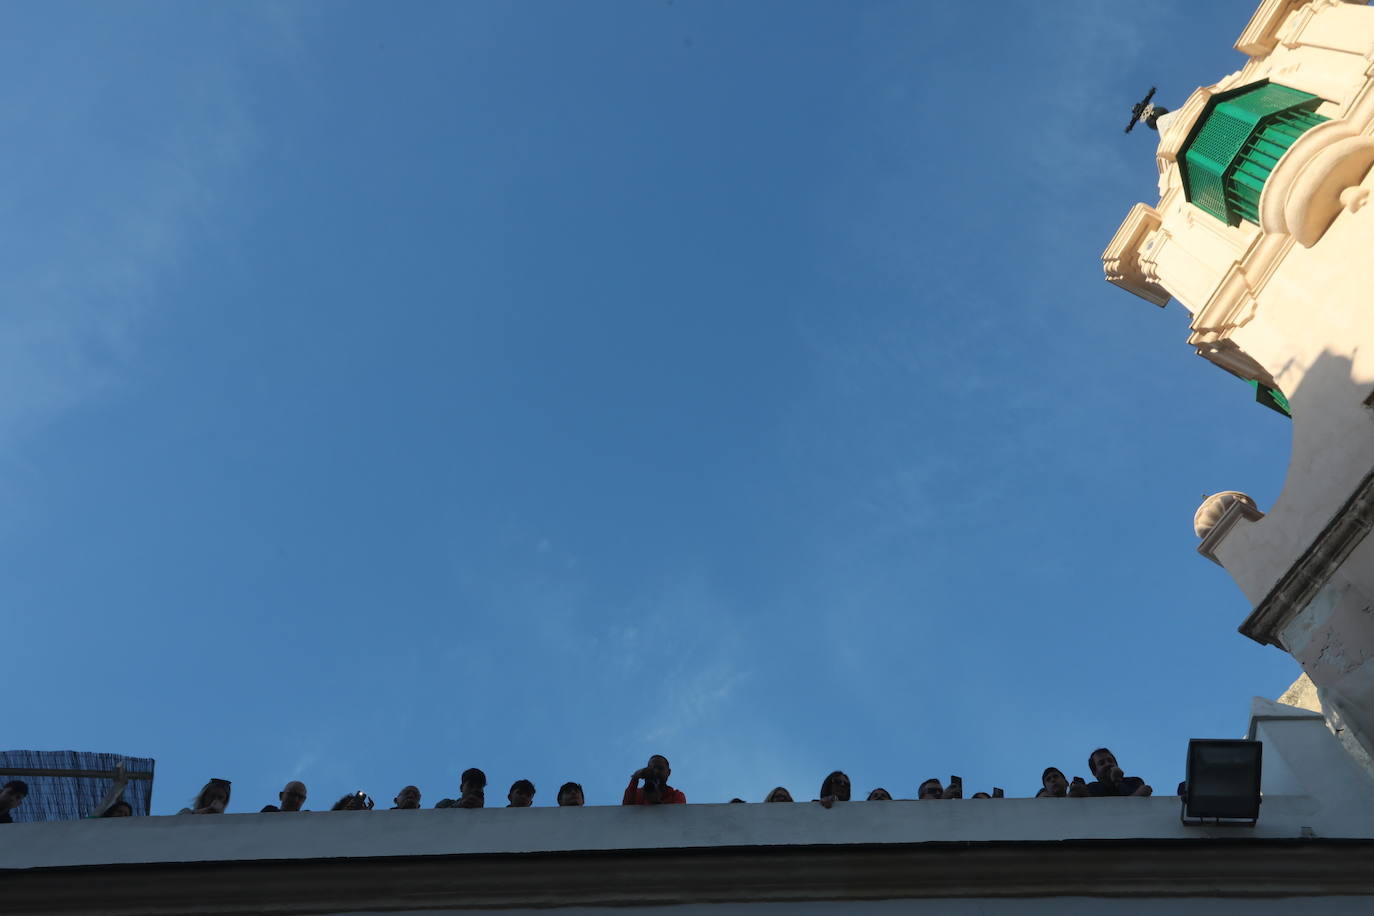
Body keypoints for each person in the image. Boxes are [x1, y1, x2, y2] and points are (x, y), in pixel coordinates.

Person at [1079, 748, 1152, 797]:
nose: (1108, 764)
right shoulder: (1092, 788)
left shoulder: (1134, 781)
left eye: (1110, 761)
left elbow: (1136, 803)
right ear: (1095, 773)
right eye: (1102, 763)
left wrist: (1117, 781)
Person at [622, 754, 686, 805]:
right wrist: (635, 778)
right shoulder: (637, 793)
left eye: (660, 768)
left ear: (668, 772)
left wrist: (657, 803)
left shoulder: (676, 795)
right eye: (651, 768)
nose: (656, 771)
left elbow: (678, 817)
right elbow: (625, 810)